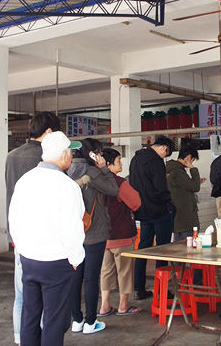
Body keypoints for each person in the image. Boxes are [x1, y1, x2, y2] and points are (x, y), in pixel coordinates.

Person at [9, 131, 85, 346]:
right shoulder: (67, 185)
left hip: (29, 259)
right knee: (54, 319)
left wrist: (23, 249)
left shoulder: (26, 180)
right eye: (70, 152)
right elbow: (73, 227)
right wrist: (75, 259)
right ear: (63, 155)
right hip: (57, 262)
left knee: (30, 314)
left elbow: (13, 219)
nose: (71, 156)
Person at [5, 111, 62, 345]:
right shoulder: (48, 156)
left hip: (20, 235)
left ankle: (21, 338)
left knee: (22, 293)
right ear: (48, 132)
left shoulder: (11, 156)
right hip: (46, 238)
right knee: (47, 297)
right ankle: (40, 337)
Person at [67, 138, 120, 334]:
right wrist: (104, 168)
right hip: (93, 233)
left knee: (75, 277)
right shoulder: (93, 172)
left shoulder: (67, 170)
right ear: (93, 153)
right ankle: (90, 322)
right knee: (90, 278)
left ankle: (77, 320)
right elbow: (113, 189)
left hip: (73, 234)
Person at [129, 135, 175, 300]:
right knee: (162, 251)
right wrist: (169, 204)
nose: (165, 156)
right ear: (164, 148)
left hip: (142, 211)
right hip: (159, 212)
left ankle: (139, 288)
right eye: (166, 153)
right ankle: (161, 290)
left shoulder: (136, 158)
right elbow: (160, 189)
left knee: (143, 249)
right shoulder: (156, 161)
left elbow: (134, 184)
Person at [98, 148, 142, 317]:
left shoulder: (95, 180)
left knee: (106, 271)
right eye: (118, 161)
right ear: (108, 164)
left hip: (102, 236)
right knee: (124, 270)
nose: (121, 164)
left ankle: (104, 306)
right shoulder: (118, 182)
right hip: (122, 234)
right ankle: (123, 305)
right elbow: (136, 202)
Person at [167, 146, 204, 241]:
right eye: (193, 160)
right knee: (189, 248)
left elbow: (184, 186)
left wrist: (195, 181)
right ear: (188, 158)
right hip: (186, 219)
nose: (192, 162)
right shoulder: (178, 171)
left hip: (177, 217)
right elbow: (195, 187)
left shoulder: (170, 168)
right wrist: (193, 169)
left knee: (178, 248)